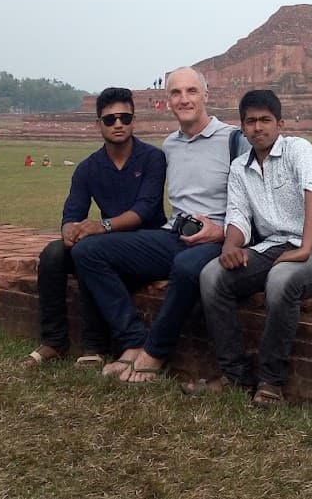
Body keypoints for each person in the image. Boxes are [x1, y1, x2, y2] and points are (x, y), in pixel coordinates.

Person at [74, 67, 241, 383]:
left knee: (186, 267)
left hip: (217, 237)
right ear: (168, 101)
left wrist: (220, 231)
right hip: (174, 233)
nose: (184, 99)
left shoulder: (233, 140)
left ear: (206, 95)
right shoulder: (171, 145)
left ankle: (154, 353)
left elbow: (251, 201)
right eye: (176, 93)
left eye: (192, 91)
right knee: (89, 252)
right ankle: (133, 340)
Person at [187, 89, 312, 407]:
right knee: (211, 276)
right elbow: (237, 215)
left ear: (280, 123)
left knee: (281, 280)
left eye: (265, 120)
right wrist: (230, 246)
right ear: (242, 126)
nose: (257, 128)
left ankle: (271, 383)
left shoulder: (297, 150)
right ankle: (236, 375)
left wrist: (305, 247)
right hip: (274, 247)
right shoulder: (239, 168)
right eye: (250, 121)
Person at [21, 87, 166, 369]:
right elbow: (72, 213)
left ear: (133, 120)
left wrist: (103, 226)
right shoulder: (89, 168)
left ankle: (95, 345)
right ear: (98, 124)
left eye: (125, 117)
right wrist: (69, 232)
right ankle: (54, 341)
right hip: (105, 242)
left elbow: (144, 210)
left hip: (146, 242)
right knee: (54, 254)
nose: (118, 124)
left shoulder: (152, 158)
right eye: (110, 119)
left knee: (90, 250)